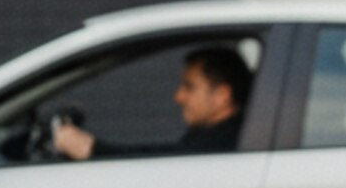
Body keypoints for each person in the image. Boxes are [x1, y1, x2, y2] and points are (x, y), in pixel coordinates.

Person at [52, 46, 252, 159]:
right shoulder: (224, 135)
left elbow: (167, 162)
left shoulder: (225, 143)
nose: (178, 97)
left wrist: (93, 150)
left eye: (189, 87)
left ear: (221, 96)